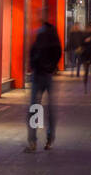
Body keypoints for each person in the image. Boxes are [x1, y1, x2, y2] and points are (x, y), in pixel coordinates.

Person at [25, 11, 63, 152]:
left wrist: (40, 65)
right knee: (44, 107)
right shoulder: (45, 32)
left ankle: (36, 140)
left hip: (42, 74)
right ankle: (46, 139)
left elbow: (38, 52)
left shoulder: (45, 33)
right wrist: (51, 67)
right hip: (44, 74)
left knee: (37, 107)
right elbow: (57, 52)